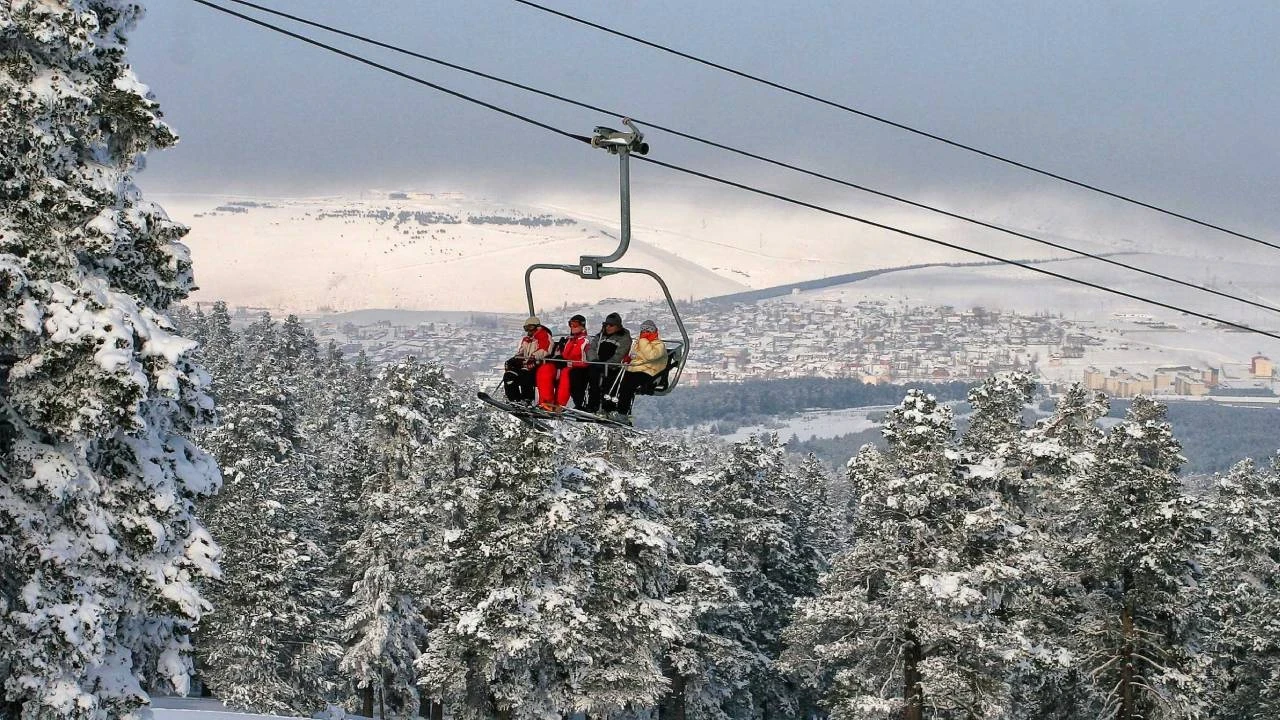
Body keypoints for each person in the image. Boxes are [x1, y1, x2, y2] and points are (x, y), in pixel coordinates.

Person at [615, 319, 668, 424]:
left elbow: (650, 356)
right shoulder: (638, 344)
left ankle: (622, 413)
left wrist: (643, 340)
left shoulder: (659, 345)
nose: (644, 333)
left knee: (628, 386)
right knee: (616, 380)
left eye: (648, 331)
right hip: (635, 369)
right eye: (643, 331)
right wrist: (628, 358)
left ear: (654, 332)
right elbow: (634, 355)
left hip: (649, 372)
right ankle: (609, 408)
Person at [536, 314, 590, 410]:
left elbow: (585, 361)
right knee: (545, 369)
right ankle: (546, 401)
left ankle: (559, 405)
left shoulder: (585, 341)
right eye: (571, 324)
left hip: (576, 368)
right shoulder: (569, 340)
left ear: (582, 325)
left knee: (567, 373)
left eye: (575, 324)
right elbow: (564, 355)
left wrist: (567, 363)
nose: (572, 327)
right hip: (563, 365)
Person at [584, 311, 631, 415]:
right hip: (597, 365)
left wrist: (608, 364)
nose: (608, 327)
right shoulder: (600, 336)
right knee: (592, 379)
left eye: (611, 325)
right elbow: (591, 349)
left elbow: (620, 354)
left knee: (609, 382)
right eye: (606, 325)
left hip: (613, 367)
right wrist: (595, 361)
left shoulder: (624, 338)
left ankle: (608, 408)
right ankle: (592, 405)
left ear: (618, 326)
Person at [503, 316, 552, 405]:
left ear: (537, 327)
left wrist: (533, 357)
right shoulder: (526, 340)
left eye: (531, 327)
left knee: (525, 374)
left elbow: (545, 350)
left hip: (538, 365)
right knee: (509, 375)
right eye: (526, 328)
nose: (529, 331)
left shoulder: (544, 336)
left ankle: (527, 399)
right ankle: (514, 399)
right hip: (526, 365)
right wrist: (515, 359)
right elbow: (521, 352)